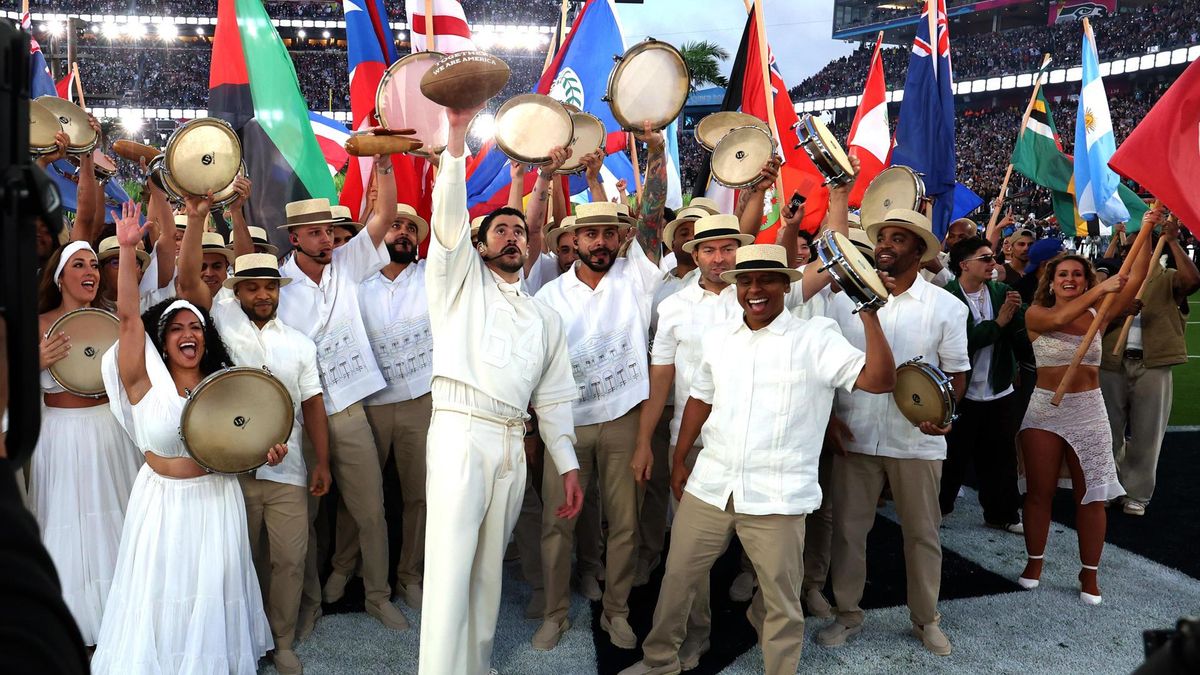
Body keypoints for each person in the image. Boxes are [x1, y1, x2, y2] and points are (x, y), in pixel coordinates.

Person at [620, 244, 895, 675]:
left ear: (786, 284)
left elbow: (880, 380)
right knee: (677, 582)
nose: (754, 289)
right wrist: (678, 460)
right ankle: (660, 661)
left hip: (778, 496)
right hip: (711, 483)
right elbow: (700, 399)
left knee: (782, 604)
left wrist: (869, 310)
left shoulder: (816, 336)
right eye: (745, 280)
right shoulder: (719, 338)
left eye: (767, 278)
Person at [418, 101, 583, 675]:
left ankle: (475, 665)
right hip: (461, 435)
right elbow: (447, 226)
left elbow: (556, 398)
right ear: (481, 246)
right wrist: (457, 140)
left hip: (514, 444)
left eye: (519, 230)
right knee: (450, 567)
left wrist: (566, 464)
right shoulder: (456, 286)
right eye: (500, 230)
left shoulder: (545, 319)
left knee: (489, 569)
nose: (512, 236)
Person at [92, 201, 277, 673]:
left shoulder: (224, 385)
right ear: (164, 340)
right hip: (162, 505)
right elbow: (130, 319)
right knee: (164, 593)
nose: (188, 333)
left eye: (196, 326)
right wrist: (130, 251)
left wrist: (270, 451)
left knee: (209, 594)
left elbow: (253, 436)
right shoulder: (143, 380)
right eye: (176, 328)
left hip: (216, 501)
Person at [177, 202, 334, 675]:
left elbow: (312, 406)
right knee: (239, 561)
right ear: (237, 291)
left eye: (269, 286)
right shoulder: (221, 323)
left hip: (287, 468)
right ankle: (243, 639)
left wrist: (321, 462)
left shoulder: (300, 344)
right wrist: (206, 213)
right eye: (252, 287)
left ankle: (282, 640)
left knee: (289, 560)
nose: (263, 294)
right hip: (229, 469)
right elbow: (188, 284)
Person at [819, 209, 969, 656]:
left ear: (919, 252)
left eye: (898, 238)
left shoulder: (947, 307)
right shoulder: (842, 300)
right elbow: (824, 367)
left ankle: (926, 620)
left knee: (923, 533)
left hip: (918, 440)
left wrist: (947, 417)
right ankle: (847, 614)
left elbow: (957, 376)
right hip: (855, 433)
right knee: (848, 530)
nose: (885, 245)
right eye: (882, 237)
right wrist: (829, 419)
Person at [276, 184, 407, 631]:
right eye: (314, 234)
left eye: (329, 232)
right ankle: (310, 603)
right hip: (298, 416)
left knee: (371, 510)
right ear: (294, 239)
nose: (326, 240)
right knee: (307, 520)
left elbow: (385, 214)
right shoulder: (277, 282)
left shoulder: (348, 262)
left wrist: (385, 164)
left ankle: (377, 596)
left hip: (349, 408)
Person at [1017, 226, 1151, 604]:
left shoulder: (1099, 313)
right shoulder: (1036, 313)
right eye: (1064, 274)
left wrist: (1148, 230)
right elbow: (1060, 322)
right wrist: (1100, 290)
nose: (1071, 279)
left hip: (1089, 410)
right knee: (1039, 494)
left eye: (1078, 274)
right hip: (1045, 409)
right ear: (1051, 281)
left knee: (1090, 495)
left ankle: (1089, 573)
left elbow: (1137, 275)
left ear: (1085, 279)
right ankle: (1034, 562)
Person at [30, 241, 142, 647]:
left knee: (115, 519)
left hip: (110, 431)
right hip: (62, 437)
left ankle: (121, 617)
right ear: (60, 277)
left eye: (94, 263)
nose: (90, 270)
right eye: (78, 264)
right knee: (68, 524)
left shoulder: (113, 319)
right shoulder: (36, 324)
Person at [349, 203, 434, 612]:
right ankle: (344, 565)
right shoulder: (355, 283)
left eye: (410, 228)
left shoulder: (433, 278)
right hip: (369, 404)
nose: (403, 233)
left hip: (421, 400)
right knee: (361, 496)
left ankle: (409, 575)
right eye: (395, 225)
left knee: (418, 496)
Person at [1100, 215, 1200, 516]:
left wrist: (1172, 241)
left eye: (1143, 244)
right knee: (1108, 430)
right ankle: (1109, 487)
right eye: (1132, 244)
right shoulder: (1115, 281)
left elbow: (1193, 280)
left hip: (1153, 362)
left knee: (1147, 431)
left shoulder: (1168, 277)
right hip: (1112, 361)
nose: (1135, 250)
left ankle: (1137, 494)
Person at [939, 237, 1026, 532]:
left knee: (1002, 455)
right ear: (964, 264)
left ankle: (1002, 513)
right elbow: (961, 345)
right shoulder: (948, 297)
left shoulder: (1002, 291)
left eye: (993, 257)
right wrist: (998, 323)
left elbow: (1020, 335)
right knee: (952, 454)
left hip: (998, 388)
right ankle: (939, 508)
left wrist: (1016, 317)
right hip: (961, 390)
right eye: (986, 258)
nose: (993, 263)